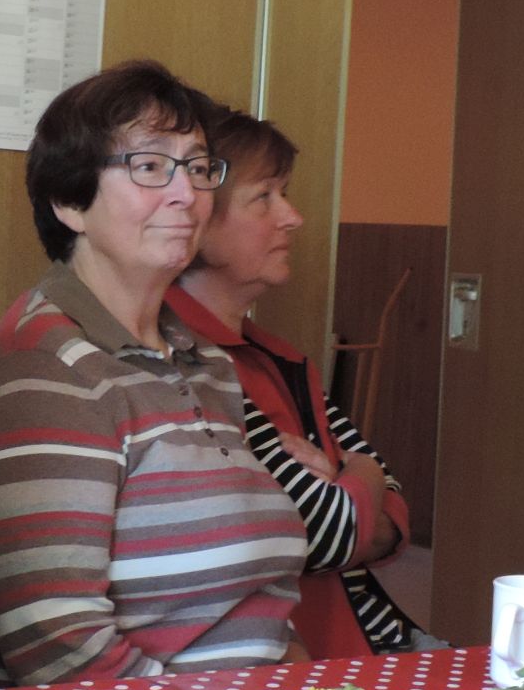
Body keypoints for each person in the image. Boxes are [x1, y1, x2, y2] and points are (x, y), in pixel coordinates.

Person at [0, 61, 307, 684]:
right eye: (149, 166)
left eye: (198, 167)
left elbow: (257, 601)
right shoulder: (44, 371)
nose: (186, 193)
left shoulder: (205, 362)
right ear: (70, 201)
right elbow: (57, 647)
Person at [167, 106, 438, 659]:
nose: (293, 217)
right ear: (199, 220)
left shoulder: (278, 356)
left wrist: (344, 483)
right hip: (283, 666)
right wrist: (361, 475)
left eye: (284, 194)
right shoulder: (184, 362)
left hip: (353, 641)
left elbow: (395, 518)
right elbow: (328, 534)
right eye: (264, 197)